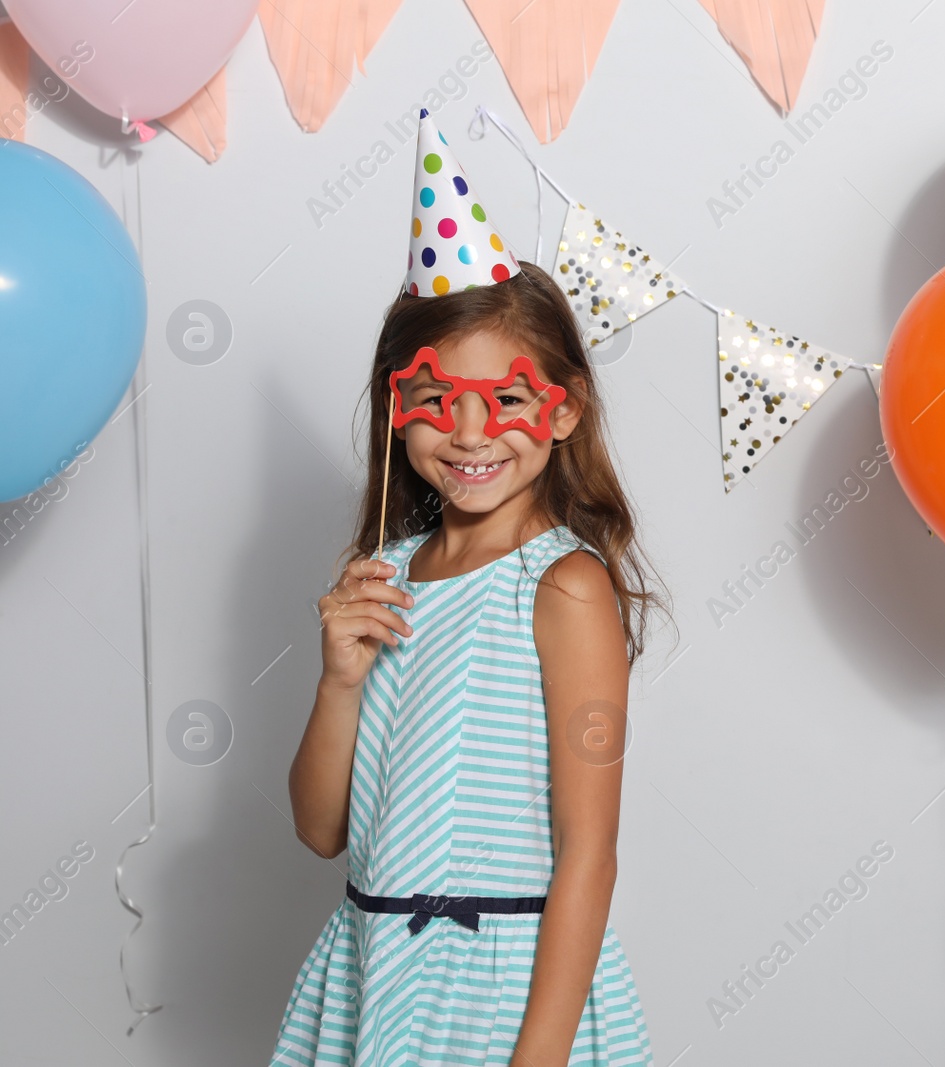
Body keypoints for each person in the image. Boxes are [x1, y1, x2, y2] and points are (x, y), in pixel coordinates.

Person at [272, 110, 663, 1067]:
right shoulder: (385, 575)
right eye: (438, 402)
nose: (473, 432)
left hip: (500, 996)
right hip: (372, 976)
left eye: (510, 399)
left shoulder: (565, 587)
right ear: (399, 410)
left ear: (563, 407)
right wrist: (338, 681)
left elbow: (588, 850)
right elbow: (321, 830)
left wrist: (536, 1060)